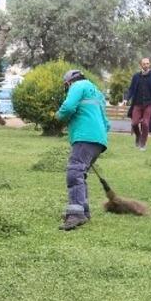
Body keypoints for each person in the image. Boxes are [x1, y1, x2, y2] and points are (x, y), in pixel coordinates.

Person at [57, 69, 110, 231]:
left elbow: (68, 107)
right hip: (98, 140)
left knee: (74, 172)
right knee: (80, 173)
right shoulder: (96, 92)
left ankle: (76, 214)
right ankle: (83, 211)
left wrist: (58, 116)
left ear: (69, 83)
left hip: (85, 136)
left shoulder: (77, 86)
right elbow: (106, 122)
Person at [123, 57, 151, 150]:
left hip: (149, 103)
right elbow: (131, 89)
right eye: (144, 63)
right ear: (141, 65)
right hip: (137, 104)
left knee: (146, 124)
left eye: (147, 63)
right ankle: (138, 136)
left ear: (149, 64)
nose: (146, 65)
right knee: (134, 123)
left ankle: (143, 144)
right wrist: (126, 99)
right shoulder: (136, 76)